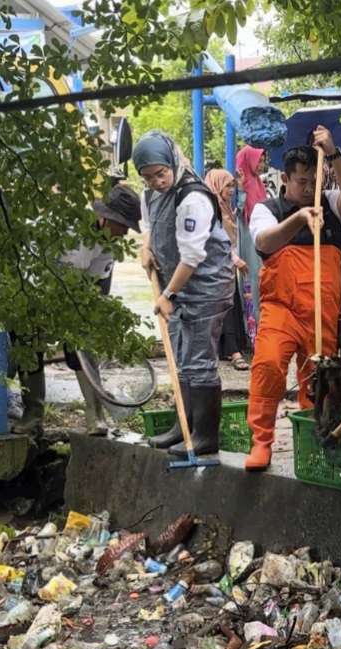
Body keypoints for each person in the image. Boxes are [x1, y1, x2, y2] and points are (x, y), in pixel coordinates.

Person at [243, 126, 341, 471]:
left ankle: (318, 441)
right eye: (302, 182)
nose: (310, 189)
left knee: (322, 381)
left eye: (315, 182)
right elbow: (264, 242)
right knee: (267, 368)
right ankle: (261, 442)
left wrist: (334, 153)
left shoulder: (332, 207)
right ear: (285, 178)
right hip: (281, 311)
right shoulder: (267, 209)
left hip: (322, 312)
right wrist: (298, 219)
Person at [134, 131, 235, 457]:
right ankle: (184, 426)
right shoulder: (149, 193)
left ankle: (205, 436)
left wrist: (168, 294)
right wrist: (145, 245)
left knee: (199, 360)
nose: (156, 182)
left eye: (160, 174)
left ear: (172, 163)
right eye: (148, 177)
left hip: (205, 286)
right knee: (182, 359)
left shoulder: (192, 198)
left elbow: (192, 256)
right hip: (174, 286)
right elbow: (147, 221)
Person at [64, 184, 144, 434]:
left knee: (81, 345)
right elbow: (64, 278)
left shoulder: (110, 243)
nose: (124, 232)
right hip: (45, 285)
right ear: (105, 217)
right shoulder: (73, 230)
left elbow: (97, 286)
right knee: (28, 344)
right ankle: (32, 416)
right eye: (121, 225)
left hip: (80, 287)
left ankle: (95, 414)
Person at [205, 169, 250, 370]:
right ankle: (234, 352)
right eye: (228, 185)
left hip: (226, 263)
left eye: (233, 185)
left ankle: (229, 350)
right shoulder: (210, 206)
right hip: (216, 265)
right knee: (227, 307)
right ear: (217, 185)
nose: (231, 190)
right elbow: (217, 237)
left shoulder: (226, 207)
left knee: (230, 305)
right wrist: (234, 258)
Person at [235, 145, 268, 347]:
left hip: (259, 244)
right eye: (259, 160)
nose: (262, 165)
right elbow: (238, 212)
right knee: (250, 285)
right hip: (247, 242)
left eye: (263, 161)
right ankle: (252, 336)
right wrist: (240, 189)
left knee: (261, 285)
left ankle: (261, 332)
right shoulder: (240, 184)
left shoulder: (258, 184)